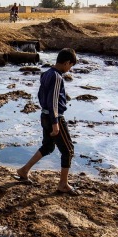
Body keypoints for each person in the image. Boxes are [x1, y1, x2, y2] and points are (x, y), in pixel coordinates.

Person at [16, 48, 78, 194]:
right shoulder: (57, 77)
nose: (70, 69)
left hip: (45, 115)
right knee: (68, 151)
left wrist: (47, 114)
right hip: (53, 117)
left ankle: (24, 170)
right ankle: (63, 184)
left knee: (48, 147)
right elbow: (53, 101)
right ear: (67, 62)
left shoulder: (46, 73)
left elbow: (41, 95)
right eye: (71, 66)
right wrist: (55, 122)